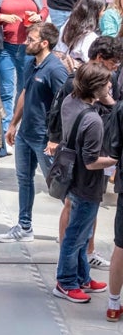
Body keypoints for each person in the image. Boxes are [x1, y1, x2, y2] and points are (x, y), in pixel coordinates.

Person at [0, 22, 67, 244]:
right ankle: (24, 226)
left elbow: (65, 105)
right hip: (25, 134)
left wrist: (56, 138)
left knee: (57, 184)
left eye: (31, 40)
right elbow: (24, 93)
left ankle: (73, 226)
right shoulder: (31, 64)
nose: (26, 43)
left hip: (44, 138)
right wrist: (13, 124)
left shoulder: (56, 70)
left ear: (44, 43)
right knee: (24, 180)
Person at [52, 62, 114, 304]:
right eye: (107, 83)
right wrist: (115, 159)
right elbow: (91, 162)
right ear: (96, 87)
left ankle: (81, 276)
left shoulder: (70, 101)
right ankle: (65, 282)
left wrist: (106, 99)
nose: (111, 85)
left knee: (82, 231)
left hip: (72, 179)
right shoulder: (93, 121)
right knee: (76, 235)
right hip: (87, 183)